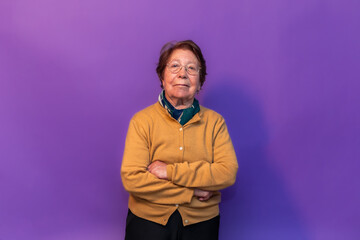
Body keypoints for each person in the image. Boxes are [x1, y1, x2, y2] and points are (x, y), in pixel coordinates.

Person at [121, 40, 238, 240]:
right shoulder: (141, 121)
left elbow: (227, 173)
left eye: (191, 68)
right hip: (148, 223)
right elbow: (133, 179)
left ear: (200, 81)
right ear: (162, 77)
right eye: (174, 66)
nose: (182, 74)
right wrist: (192, 192)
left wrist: (169, 171)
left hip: (201, 223)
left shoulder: (215, 123)